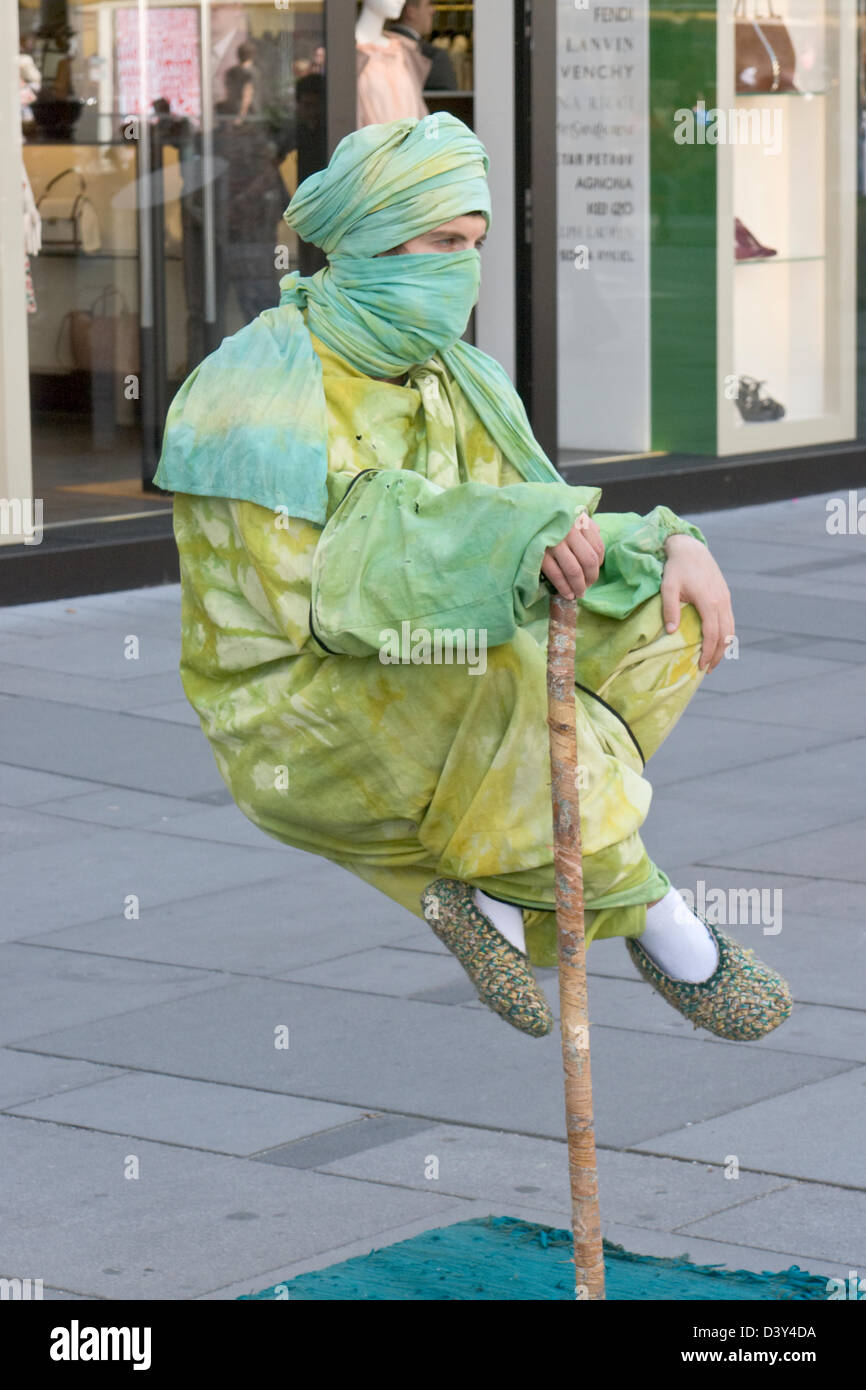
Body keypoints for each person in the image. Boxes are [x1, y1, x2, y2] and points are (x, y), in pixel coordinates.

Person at [153, 114, 792, 1045]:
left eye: (477, 245)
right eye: (444, 242)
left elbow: (539, 520)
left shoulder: (461, 376)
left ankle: (494, 882)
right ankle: (657, 915)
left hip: (453, 659)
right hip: (296, 693)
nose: (464, 267)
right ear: (371, 238)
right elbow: (316, 598)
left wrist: (666, 541)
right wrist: (499, 544)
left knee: (666, 615)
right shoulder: (251, 389)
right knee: (494, 668)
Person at [389, 1, 458, 91]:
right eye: (429, 4)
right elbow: (448, 102)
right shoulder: (432, 57)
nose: (433, 10)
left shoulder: (371, 50)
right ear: (410, 11)